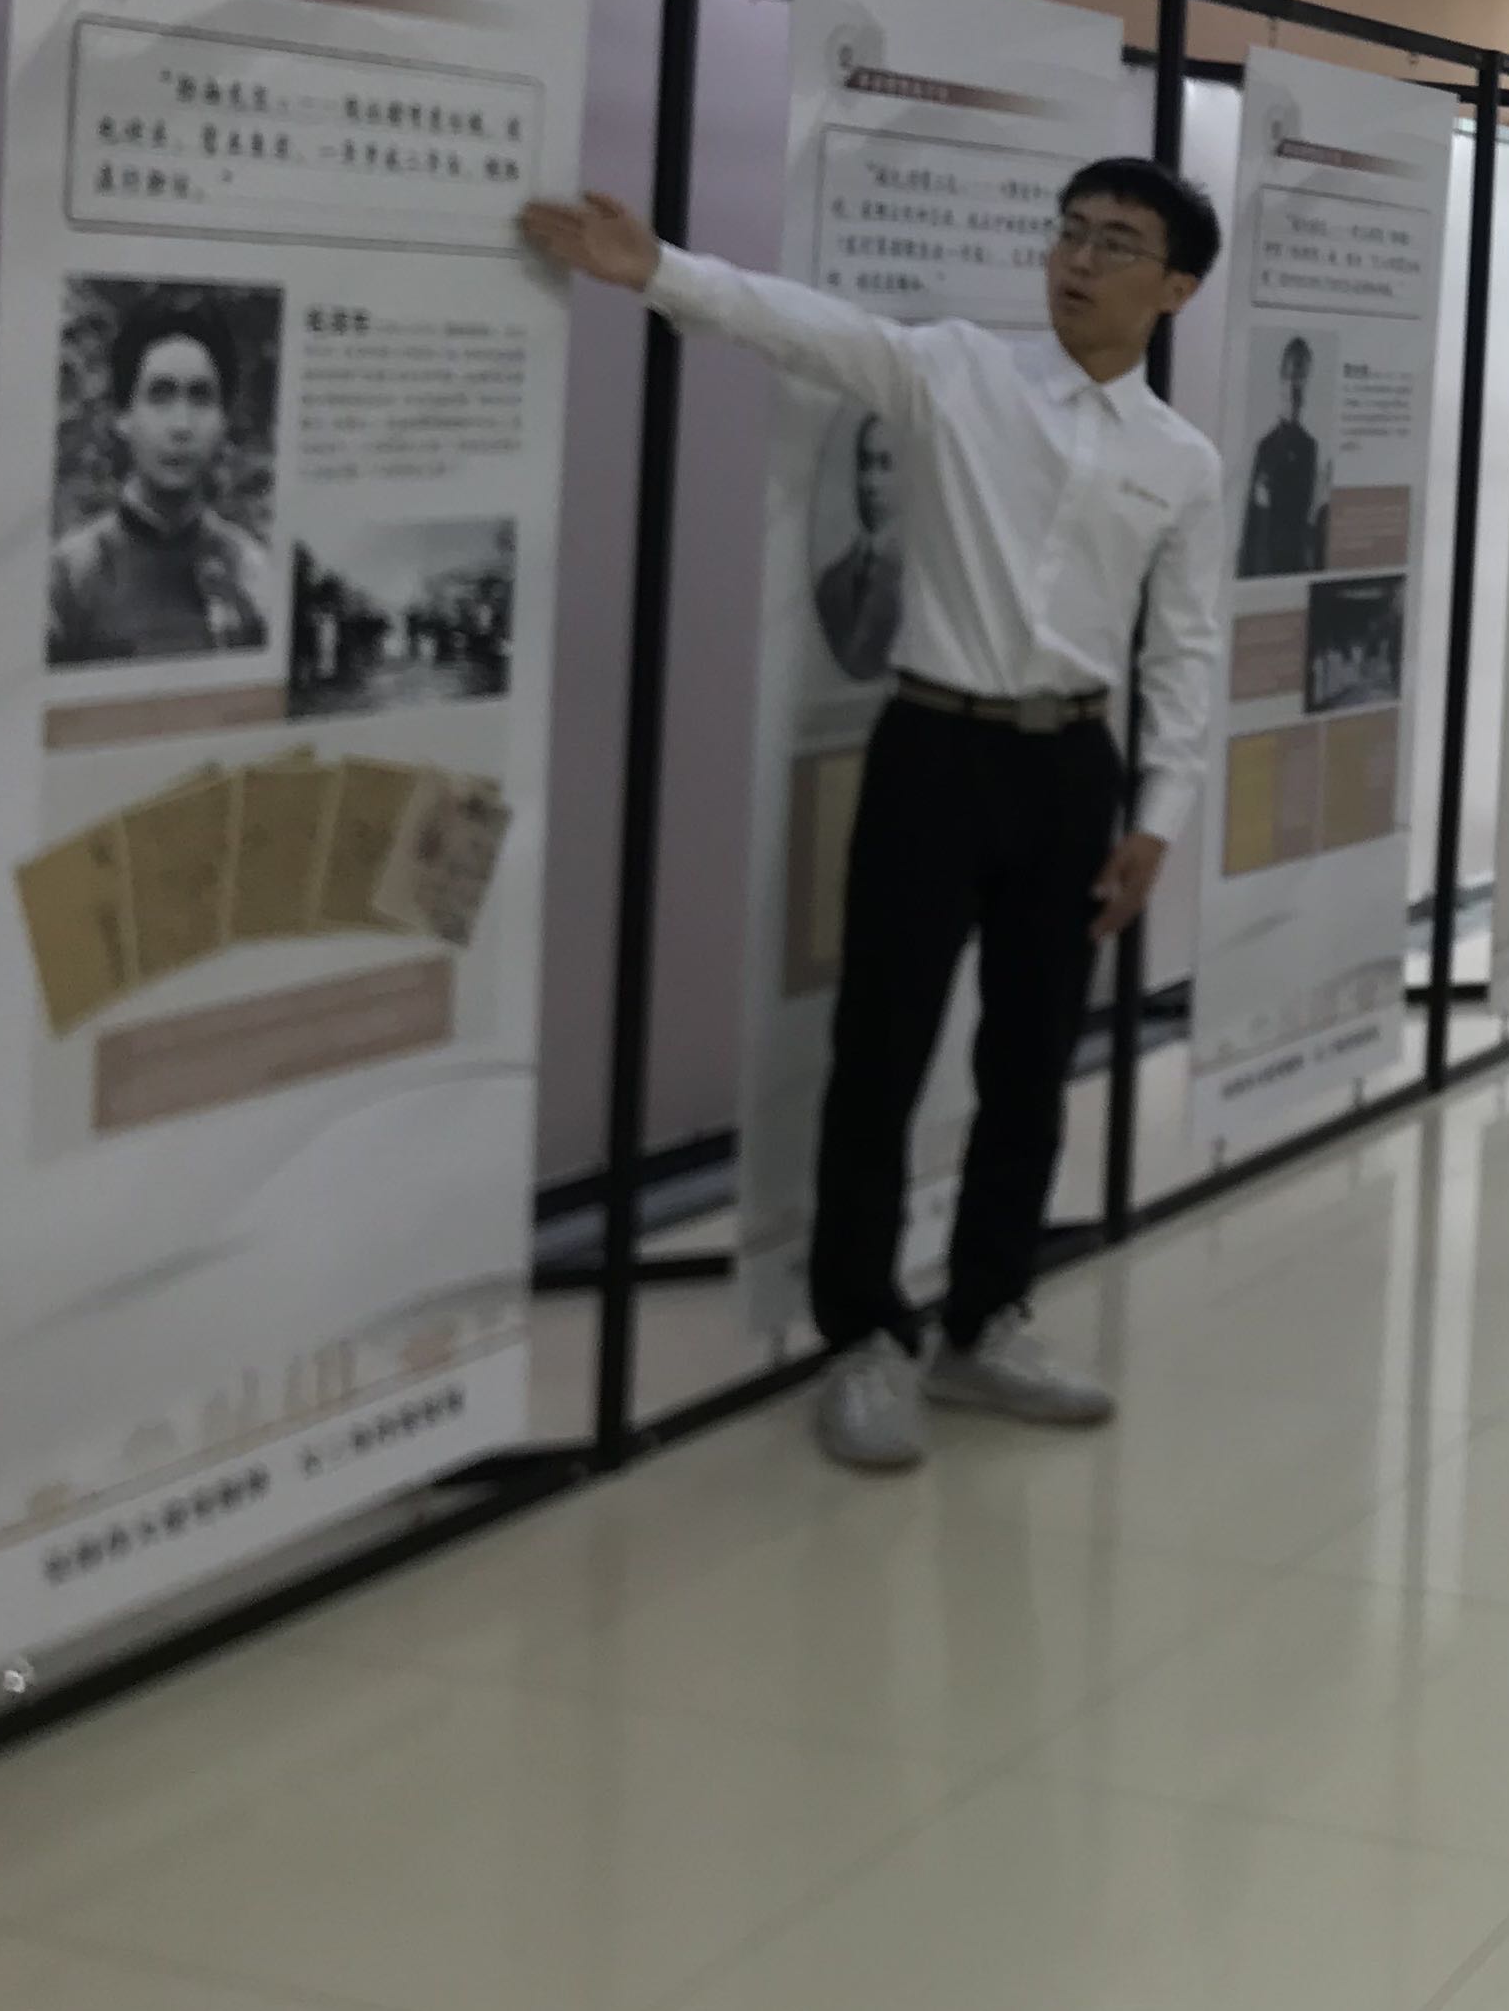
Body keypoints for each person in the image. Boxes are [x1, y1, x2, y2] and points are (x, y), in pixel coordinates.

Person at [520, 162, 1228, 1473]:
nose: (1077, 260)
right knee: (880, 1054)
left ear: (1174, 289)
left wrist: (1160, 812)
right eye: (1069, 232)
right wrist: (660, 270)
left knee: (1031, 1063)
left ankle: (985, 1319)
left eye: (1116, 244)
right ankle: (863, 1337)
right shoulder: (959, 371)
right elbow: (805, 326)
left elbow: (1186, 645)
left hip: (1072, 773)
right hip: (932, 753)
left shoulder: (1181, 462)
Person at [49, 294, 275, 663]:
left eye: (200, 398)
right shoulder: (70, 577)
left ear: (224, 420)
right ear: (123, 416)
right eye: (160, 395)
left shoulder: (252, 574)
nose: (181, 426)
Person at [814, 413, 907, 681]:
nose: (871, 483)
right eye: (865, 464)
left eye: (885, 465)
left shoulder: (917, 583)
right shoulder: (830, 582)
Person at [1237, 332, 1328, 577]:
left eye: (1302, 376)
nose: (1295, 386)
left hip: (1295, 568)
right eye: (1290, 375)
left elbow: (1307, 519)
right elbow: (1251, 527)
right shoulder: (1264, 448)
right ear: (1281, 379)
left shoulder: (1310, 448)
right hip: (1264, 568)